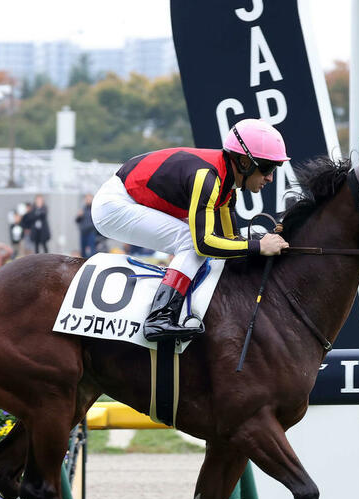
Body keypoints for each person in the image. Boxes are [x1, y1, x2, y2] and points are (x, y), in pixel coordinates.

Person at [90, 118, 291, 342]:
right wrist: (259, 246)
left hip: (129, 200)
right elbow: (204, 243)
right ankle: (160, 317)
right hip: (114, 206)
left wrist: (260, 243)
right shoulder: (207, 178)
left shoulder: (226, 187)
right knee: (191, 241)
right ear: (244, 162)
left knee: (207, 242)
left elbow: (231, 242)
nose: (270, 177)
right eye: (268, 167)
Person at [76, 193, 100, 258]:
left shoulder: (94, 209)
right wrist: (79, 216)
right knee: (83, 250)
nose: (87, 200)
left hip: (91, 232)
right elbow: (77, 221)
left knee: (92, 250)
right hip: (83, 232)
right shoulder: (83, 209)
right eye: (86, 198)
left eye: (89, 198)